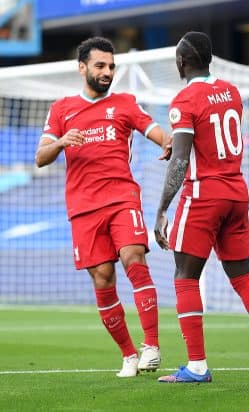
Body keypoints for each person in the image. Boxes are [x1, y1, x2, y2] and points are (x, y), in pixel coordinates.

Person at [153, 31, 249, 383]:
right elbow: (212, 135)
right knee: (243, 277)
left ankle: (197, 366)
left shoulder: (184, 99)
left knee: (185, 277)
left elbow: (181, 160)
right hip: (236, 192)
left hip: (204, 195)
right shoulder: (231, 92)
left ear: (181, 62)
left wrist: (161, 210)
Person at [35, 37, 172, 378]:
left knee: (133, 259)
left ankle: (151, 345)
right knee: (103, 278)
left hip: (122, 197)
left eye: (111, 66)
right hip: (83, 208)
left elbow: (152, 128)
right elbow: (40, 157)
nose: (107, 72)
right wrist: (62, 141)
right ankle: (128, 354)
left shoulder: (125, 103)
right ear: (82, 68)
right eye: (100, 66)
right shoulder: (61, 109)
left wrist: (170, 141)